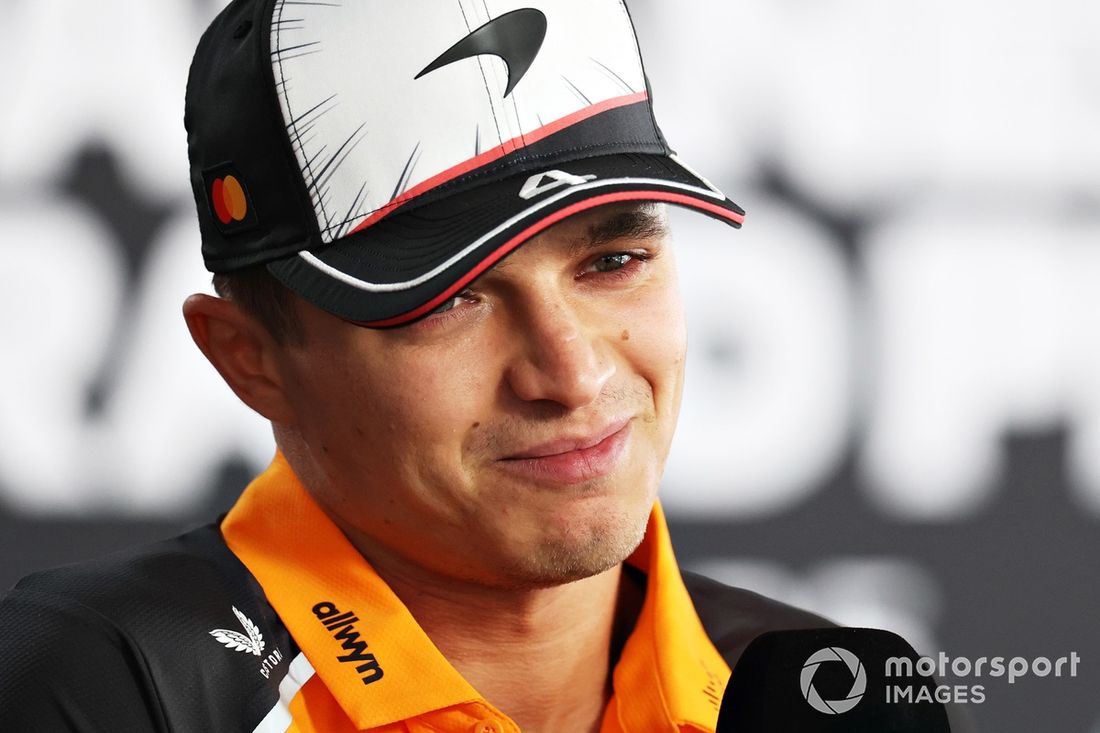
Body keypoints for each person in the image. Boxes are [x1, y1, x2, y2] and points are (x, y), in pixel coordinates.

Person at [0, 1, 833, 731]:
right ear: (249, 358)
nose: (572, 375)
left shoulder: (823, 688)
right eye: (448, 298)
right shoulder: (104, 687)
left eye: (614, 261)